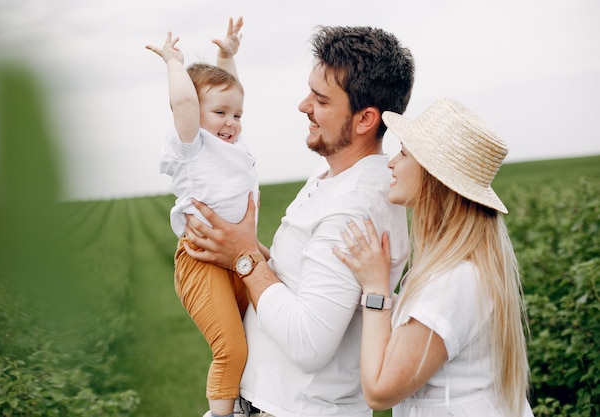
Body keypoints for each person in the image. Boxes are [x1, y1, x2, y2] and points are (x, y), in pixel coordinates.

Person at [183, 26, 415, 417]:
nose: (303, 105)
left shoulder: (354, 205)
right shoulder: (333, 179)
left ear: (364, 120)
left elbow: (309, 343)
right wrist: (245, 248)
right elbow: (306, 283)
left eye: (321, 99)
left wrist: (244, 259)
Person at [333, 97, 534, 416]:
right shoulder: (452, 268)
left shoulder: (454, 279)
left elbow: (379, 391)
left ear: (433, 178)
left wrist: (376, 289)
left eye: (403, 153)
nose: (391, 163)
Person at [146, 17, 263, 417]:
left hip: (239, 256)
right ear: (196, 114)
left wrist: (225, 56)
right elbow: (185, 102)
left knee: (261, 339)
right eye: (220, 114)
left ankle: (251, 404)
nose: (231, 122)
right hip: (203, 261)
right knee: (231, 348)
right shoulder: (192, 145)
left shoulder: (231, 141)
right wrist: (174, 62)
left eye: (237, 115)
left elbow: (230, 92)